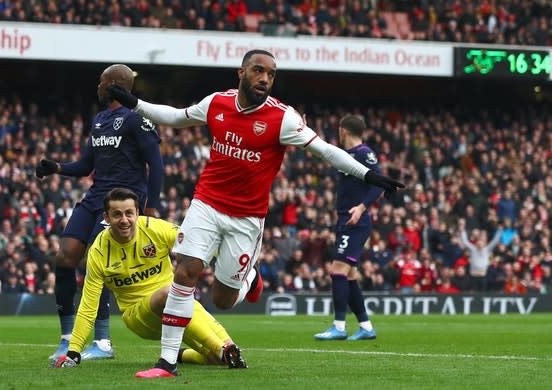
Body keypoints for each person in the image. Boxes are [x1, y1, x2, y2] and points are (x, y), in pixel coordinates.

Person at [107, 49, 404, 378]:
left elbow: (325, 150)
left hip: (246, 219)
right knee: (185, 272)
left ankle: (250, 279)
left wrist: (368, 174)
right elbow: (177, 117)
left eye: (271, 74)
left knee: (222, 299)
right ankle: (166, 363)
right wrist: (134, 103)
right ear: (241, 73)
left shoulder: (283, 118)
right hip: (207, 203)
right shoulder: (218, 103)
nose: (264, 78)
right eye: (258, 71)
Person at [36, 64, 164, 362]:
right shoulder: (100, 120)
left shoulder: (137, 120)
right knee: (65, 257)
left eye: (100, 82)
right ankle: (67, 337)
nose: (97, 87)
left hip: (123, 200)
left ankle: (103, 342)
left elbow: (156, 165)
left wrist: (152, 207)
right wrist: (55, 168)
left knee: (97, 259)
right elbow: (85, 166)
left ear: (114, 84)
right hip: (96, 196)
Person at [53, 188, 246, 373]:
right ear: (106, 218)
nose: (124, 220)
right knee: (172, 293)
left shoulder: (155, 228)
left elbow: (196, 244)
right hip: (139, 315)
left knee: (218, 359)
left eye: (129, 213)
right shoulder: (99, 251)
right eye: (117, 214)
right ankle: (222, 348)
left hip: (178, 303)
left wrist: (232, 261)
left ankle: (194, 354)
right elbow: (88, 307)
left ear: (138, 213)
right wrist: (73, 352)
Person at [313, 114, 381, 342]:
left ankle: (339, 326)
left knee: (338, 271)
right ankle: (366, 327)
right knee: (350, 275)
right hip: (345, 220)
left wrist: (361, 208)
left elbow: (377, 184)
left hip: (355, 220)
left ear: (343, 131)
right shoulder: (345, 155)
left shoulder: (364, 154)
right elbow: (321, 150)